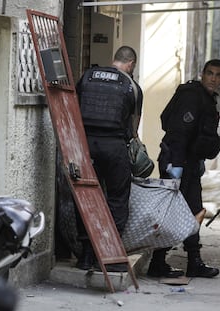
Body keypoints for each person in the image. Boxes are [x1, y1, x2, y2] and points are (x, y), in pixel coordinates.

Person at [146, 59, 220, 279]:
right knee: (187, 212)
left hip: (188, 163)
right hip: (179, 163)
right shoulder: (193, 96)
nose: (213, 78)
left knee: (192, 211)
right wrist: (176, 167)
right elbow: (179, 132)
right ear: (203, 74)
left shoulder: (205, 98)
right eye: (210, 73)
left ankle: (175, 261)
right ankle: (173, 262)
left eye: (218, 75)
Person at [75, 46, 142, 272]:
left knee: (86, 197)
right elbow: (133, 128)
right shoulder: (131, 86)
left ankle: (85, 255)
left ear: (115, 59)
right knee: (117, 199)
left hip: (85, 146)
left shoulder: (87, 77)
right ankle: (109, 255)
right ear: (131, 63)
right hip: (114, 147)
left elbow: (73, 108)